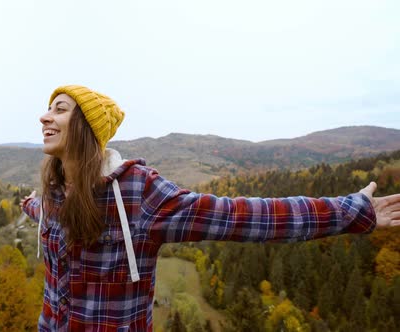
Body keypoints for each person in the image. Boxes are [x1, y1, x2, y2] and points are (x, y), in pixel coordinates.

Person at [20, 85, 400, 331]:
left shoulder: (140, 194)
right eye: (48, 108)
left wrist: (353, 211)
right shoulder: (52, 196)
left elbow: (246, 217)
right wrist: (27, 205)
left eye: (60, 109)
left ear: (86, 127)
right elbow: (39, 210)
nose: (44, 116)